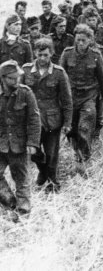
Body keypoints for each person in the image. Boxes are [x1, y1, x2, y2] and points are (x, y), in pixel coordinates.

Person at [22, 39, 72, 191]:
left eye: (45, 55)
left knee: (51, 154)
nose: (42, 58)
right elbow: (18, 94)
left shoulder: (59, 73)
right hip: (31, 121)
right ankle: (43, 171)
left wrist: (67, 123)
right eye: (39, 55)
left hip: (52, 120)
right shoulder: (25, 70)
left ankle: (53, 183)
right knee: (34, 152)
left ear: (51, 54)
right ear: (35, 53)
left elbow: (67, 100)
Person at [60, 24, 103, 164]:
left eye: (84, 40)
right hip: (70, 97)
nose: (81, 43)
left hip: (88, 97)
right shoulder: (67, 54)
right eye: (78, 40)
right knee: (71, 129)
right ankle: (76, 152)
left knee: (84, 126)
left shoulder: (96, 55)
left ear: (90, 40)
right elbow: (60, 76)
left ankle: (85, 157)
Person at [0, 60, 41, 214]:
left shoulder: (26, 93)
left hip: (19, 143)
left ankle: (23, 211)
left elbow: (34, 119)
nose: (17, 81)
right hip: (1, 142)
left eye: (18, 77)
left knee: (21, 179)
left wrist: (33, 143)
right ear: (3, 78)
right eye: (12, 78)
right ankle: (10, 202)